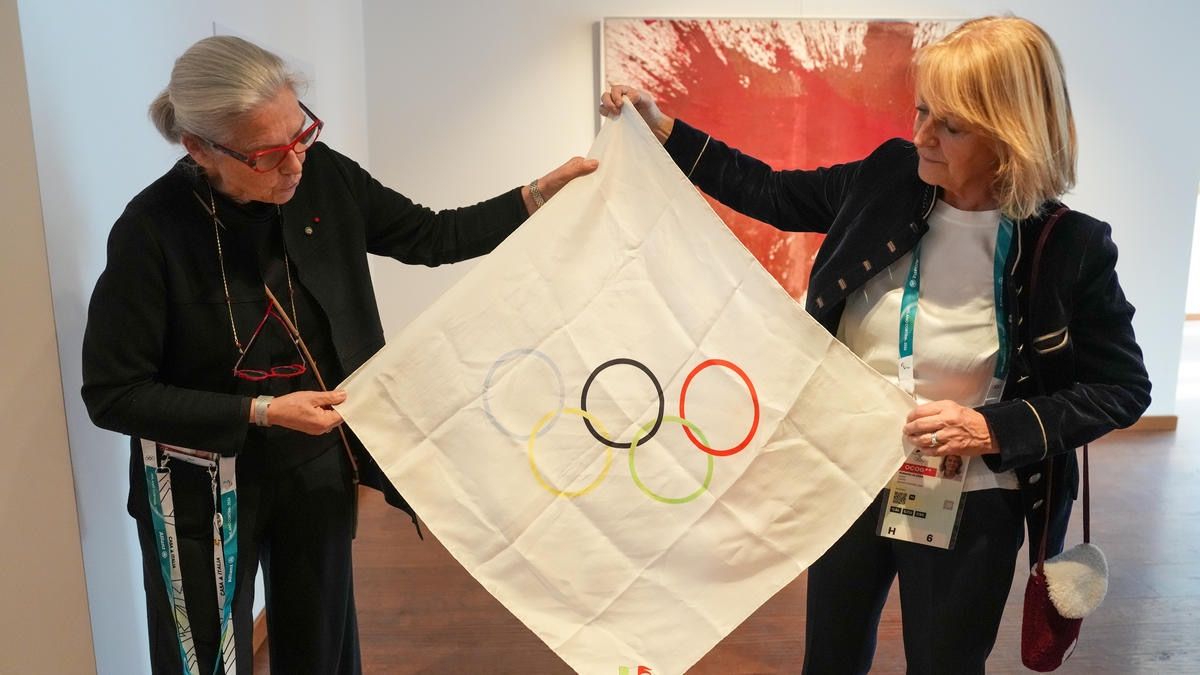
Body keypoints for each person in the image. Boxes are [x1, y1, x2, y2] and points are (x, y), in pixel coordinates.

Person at [601, 16, 1149, 675]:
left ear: (1010, 135)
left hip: (971, 496)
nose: (921, 136)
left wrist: (990, 428)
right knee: (830, 658)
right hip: (849, 474)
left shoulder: (1069, 245)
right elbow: (772, 192)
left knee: (945, 663)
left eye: (951, 126)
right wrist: (663, 128)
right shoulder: (889, 178)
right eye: (922, 111)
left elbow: (1122, 389)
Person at [81, 35, 595, 674]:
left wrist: (539, 193)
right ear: (200, 148)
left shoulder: (324, 178)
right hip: (197, 485)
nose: (294, 164)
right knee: (203, 661)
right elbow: (114, 394)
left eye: (301, 134)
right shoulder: (150, 230)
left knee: (320, 651)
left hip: (315, 465)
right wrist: (262, 411)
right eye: (267, 155)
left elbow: (433, 235)